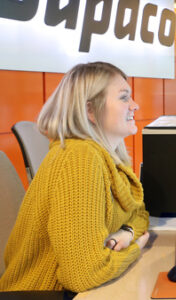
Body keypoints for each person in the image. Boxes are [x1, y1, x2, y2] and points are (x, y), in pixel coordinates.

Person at [0, 62, 150, 292]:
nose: (135, 105)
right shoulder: (80, 158)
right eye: (123, 97)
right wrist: (137, 246)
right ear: (90, 110)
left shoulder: (106, 156)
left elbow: (139, 213)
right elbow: (83, 274)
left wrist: (127, 233)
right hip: (43, 293)